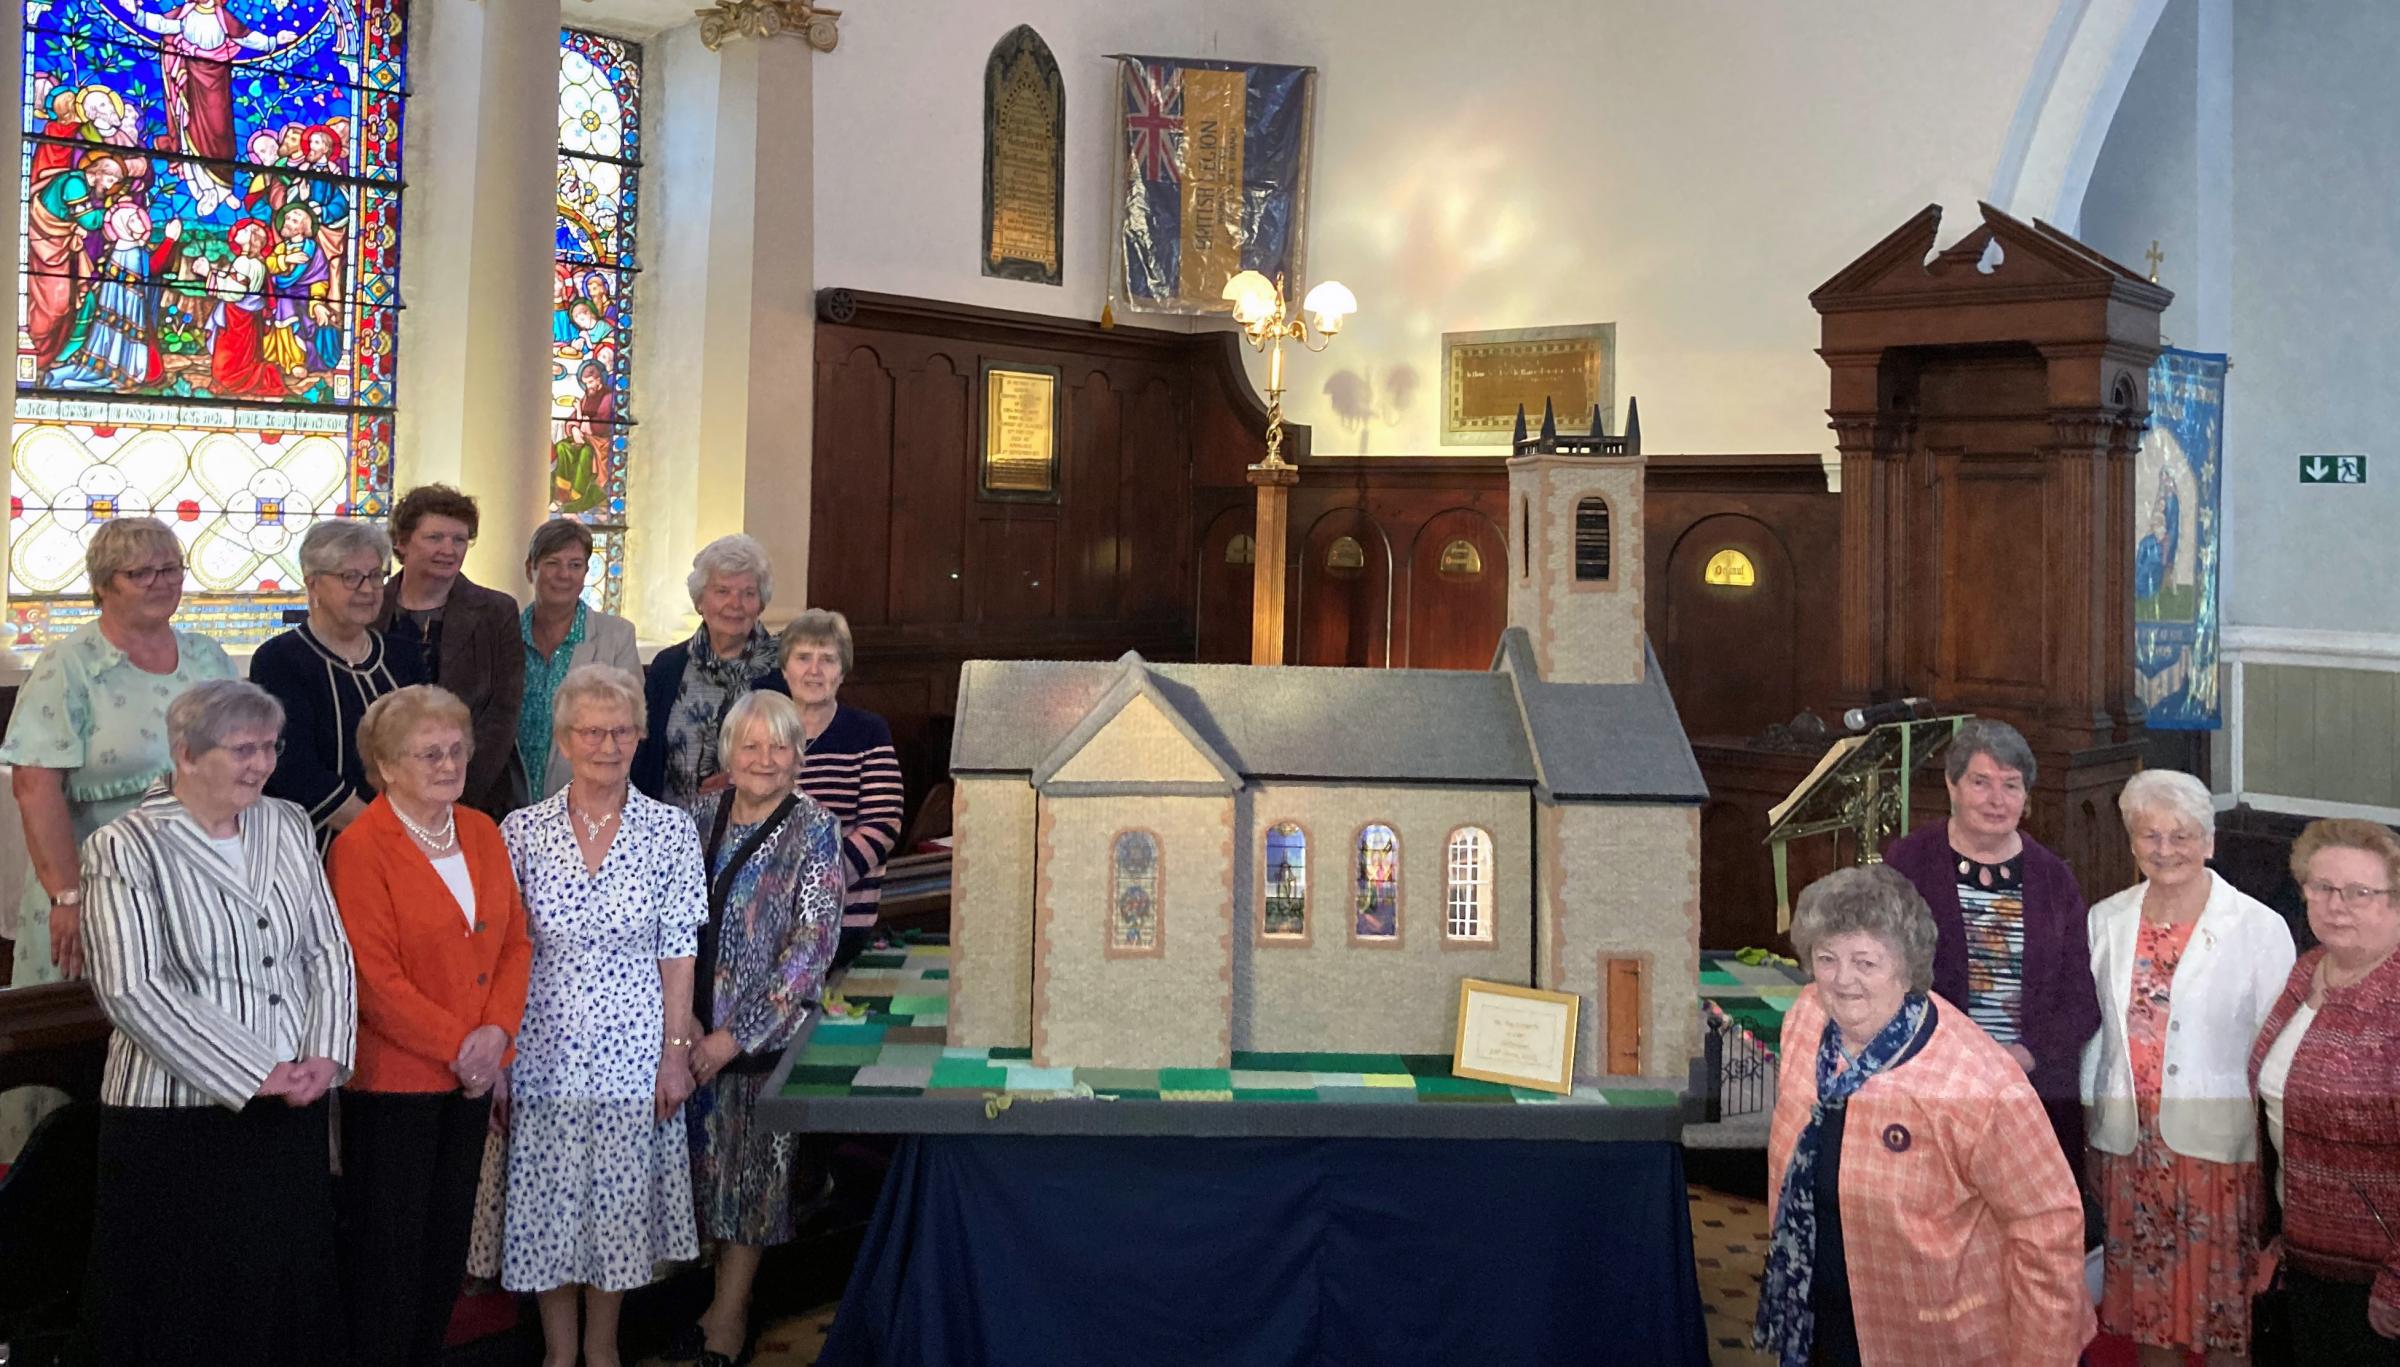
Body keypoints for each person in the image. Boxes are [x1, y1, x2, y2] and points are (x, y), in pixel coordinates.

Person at [77, 679, 356, 1366]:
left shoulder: (287, 823)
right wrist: (255, 1070)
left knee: (280, 1297)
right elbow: (132, 987)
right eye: (241, 748)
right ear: (186, 753)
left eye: (269, 746)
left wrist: (323, 1052)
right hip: (176, 1120)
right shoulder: (125, 845)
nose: (261, 762)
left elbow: (326, 946)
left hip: (290, 1105)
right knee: (185, 1308)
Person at [1753, 865, 2092, 1366]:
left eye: (1865, 962)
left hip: (1936, 1341)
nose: (1843, 980)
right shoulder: (1805, 1019)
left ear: (1907, 967)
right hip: (1815, 1321)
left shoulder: (1980, 1083)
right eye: (1827, 959)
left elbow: (2049, 1234)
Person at [501, 665, 704, 1367]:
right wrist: (499, 1059)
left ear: (641, 734)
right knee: (550, 1205)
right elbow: (502, 952)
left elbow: (680, 951)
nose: (607, 743)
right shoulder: (520, 831)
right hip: (540, 1047)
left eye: (621, 729)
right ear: (563, 737)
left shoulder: (670, 831)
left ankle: (604, 1350)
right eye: (591, 730)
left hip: (633, 1046)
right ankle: (560, 1355)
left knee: (616, 1206)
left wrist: (675, 1052)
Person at [328, 685, 533, 1367]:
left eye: (456, 750)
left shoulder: (479, 828)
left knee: (444, 1248)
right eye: (428, 754)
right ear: (385, 766)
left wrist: (498, 1034)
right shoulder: (361, 848)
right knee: (389, 1259)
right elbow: (373, 982)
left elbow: (515, 944)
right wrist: (462, 1048)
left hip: (471, 1080)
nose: (448, 764)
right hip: (396, 1087)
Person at [2084, 770, 2294, 1366]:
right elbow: (2099, 1034)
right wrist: (2096, 1129)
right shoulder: (2106, 919)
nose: (2165, 849)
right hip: (2131, 1147)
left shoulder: (2256, 925)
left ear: (2209, 842)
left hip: (2214, 1153)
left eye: (2182, 835)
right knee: (2148, 1314)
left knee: (2222, 1311)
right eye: (2150, 835)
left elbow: (2275, 1050)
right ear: (2131, 842)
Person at [671, 691, 843, 1366]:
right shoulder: (694, 815)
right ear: (728, 754)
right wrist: (680, 1021)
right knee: (697, 1177)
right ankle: (708, 1301)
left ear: (799, 755)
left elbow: (811, 949)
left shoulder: (816, 828)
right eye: (751, 745)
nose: (765, 759)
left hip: (759, 1042)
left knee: (749, 1185)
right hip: (685, 1035)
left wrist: (729, 1038)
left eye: (780, 746)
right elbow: (670, 920)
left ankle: (730, 1318)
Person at [2, 518, 233, 989]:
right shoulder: (70, 665)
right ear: (103, 584)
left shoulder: (208, 658)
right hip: (97, 885)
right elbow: (34, 787)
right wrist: (67, 897)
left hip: (196, 881)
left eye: (171, 569)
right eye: (141, 573)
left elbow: (244, 761)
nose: (161, 583)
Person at [1884, 717, 2098, 1168]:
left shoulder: (2053, 877)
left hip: (2030, 1087)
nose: (1997, 800)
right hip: (1929, 1079)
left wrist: (2024, 1055)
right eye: (1980, 782)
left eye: (2011, 786)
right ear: (1952, 786)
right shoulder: (1907, 863)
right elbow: (1883, 976)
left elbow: (2081, 999)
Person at [2250, 819, 2400, 1363]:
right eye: (2322, 887)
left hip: (2373, 1278)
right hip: (2304, 1256)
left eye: (2361, 892)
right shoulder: (2309, 969)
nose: (2337, 905)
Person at [250, 519, 423, 843]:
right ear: (313, 584)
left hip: (410, 833)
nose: (369, 589)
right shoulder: (280, 660)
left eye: (375, 576)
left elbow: (429, 746)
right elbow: (295, 769)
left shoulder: (403, 654)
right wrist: (383, 834)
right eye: (351, 577)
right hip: (318, 844)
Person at [375, 485, 527, 819]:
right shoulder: (371, 609)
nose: (449, 549)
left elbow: (503, 712)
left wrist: (457, 792)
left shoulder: (496, 611)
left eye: (459, 539)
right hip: (382, 795)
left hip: (475, 795)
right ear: (401, 542)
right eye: (435, 538)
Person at [779, 610, 905, 968]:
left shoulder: (867, 732)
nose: (814, 670)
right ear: (785, 669)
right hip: (769, 917)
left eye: (828, 660)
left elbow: (883, 825)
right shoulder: (764, 731)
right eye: (803, 658)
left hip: (844, 916)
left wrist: (817, 882)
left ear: (842, 672)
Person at [632, 535, 789, 807]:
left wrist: (739, 779)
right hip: (671, 829)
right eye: (722, 591)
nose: (735, 603)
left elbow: (801, 754)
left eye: (748, 593)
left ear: (761, 603)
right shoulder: (668, 667)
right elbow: (644, 757)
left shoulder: (783, 669)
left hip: (754, 825)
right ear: (700, 601)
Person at [136, 0, 299, 216]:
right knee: (191, 129)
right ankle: (205, 189)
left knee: (221, 134)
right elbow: (162, 24)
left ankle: (225, 188)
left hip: (217, 82)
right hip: (191, 80)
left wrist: (274, 40)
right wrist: (137, 14)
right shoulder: (185, 14)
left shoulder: (224, 17)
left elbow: (246, 36)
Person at [519, 519, 640, 801]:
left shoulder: (616, 637)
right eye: (552, 563)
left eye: (575, 565)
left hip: (585, 800)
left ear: (586, 572)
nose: (564, 575)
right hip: (507, 801)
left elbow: (627, 725)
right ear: (530, 569)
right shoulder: (506, 635)